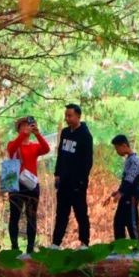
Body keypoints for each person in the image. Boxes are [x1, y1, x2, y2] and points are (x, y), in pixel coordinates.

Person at [51, 103, 94, 247]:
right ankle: (56, 243)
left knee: (80, 213)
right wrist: (57, 174)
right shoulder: (64, 132)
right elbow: (60, 155)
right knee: (61, 213)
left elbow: (88, 161)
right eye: (66, 116)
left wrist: (81, 181)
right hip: (63, 181)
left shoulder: (85, 136)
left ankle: (84, 243)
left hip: (77, 183)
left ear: (78, 116)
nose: (67, 118)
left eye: (70, 116)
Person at [6, 115, 50, 254]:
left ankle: (30, 248)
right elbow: (11, 149)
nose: (26, 128)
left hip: (32, 185)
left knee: (31, 216)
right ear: (19, 129)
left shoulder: (34, 146)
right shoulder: (12, 143)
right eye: (23, 126)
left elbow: (46, 149)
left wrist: (37, 134)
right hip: (16, 184)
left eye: (28, 125)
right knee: (15, 216)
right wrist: (22, 136)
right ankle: (14, 247)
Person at [110, 134, 139, 240]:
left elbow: (130, 179)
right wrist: (119, 191)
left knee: (131, 222)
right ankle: (120, 247)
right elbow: (125, 179)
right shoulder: (128, 159)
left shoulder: (135, 160)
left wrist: (121, 192)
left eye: (117, 148)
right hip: (125, 194)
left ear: (124, 146)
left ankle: (138, 248)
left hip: (132, 195)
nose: (117, 151)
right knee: (118, 222)